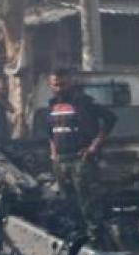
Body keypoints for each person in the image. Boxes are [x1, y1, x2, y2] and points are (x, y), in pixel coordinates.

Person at [38, 68, 117, 244]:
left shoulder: (84, 102)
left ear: (70, 83)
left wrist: (94, 146)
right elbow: (50, 133)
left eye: (62, 84)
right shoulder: (51, 105)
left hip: (81, 161)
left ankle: (96, 243)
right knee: (68, 204)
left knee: (88, 205)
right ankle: (78, 241)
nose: (59, 88)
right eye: (55, 85)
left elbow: (110, 119)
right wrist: (53, 153)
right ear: (51, 86)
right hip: (61, 162)